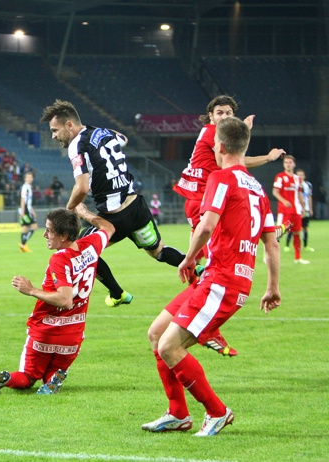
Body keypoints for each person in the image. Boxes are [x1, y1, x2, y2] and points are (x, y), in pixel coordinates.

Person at [142, 117, 280, 436]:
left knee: (169, 347)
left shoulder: (220, 178)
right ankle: (178, 413)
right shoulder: (258, 189)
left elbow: (206, 225)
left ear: (218, 145)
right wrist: (272, 287)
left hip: (221, 280)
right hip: (227, 279)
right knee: (156, 333)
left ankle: (217, 412)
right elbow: (271, 243)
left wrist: (188, 259)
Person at [41, 100, 184, 309]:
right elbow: (123, 139)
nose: (53, 135)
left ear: (69, 125)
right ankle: (199, 269)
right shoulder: (101, 132)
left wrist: (69, 208)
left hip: (114, 216)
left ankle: (117, 293)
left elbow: (81, 188)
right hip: (137, 207)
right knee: (159, 252)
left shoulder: (76, 146)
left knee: (81, 250)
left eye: (55, 130)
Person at [172, 95, 284, 355]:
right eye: (219, 112)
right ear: (210, 115)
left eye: (228, 113)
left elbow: (237, 155)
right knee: (213, 262)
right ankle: (210, 327)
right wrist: (265, 153)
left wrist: (246, 136)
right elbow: (237, 155)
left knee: (202, 263)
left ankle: (204, 318)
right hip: (202, 200)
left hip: (205, 199)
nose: (223, 117)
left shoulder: (218, 137)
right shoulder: (213, 133)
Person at [0, 205, 115, 395]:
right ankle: (53, 380)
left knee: (28, 376)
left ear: (63, 236)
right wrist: (84, 213)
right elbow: (109, 228)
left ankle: (7, 379)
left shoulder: (60, 259)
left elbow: (65, 300)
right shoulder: (91, 244)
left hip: (45, 329)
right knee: (51, 375)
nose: (44, 235)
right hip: (73, 333)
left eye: (49, 231)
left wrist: (31, 290)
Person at [273, 155, 308, 264]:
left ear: (294, 164)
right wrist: (284, 201)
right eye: (286, 162)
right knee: (278, 235)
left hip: (296, 210)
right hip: (284, 211)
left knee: (297, 233)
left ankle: (298, 258)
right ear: (284, 164)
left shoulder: (298, 179)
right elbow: (275, 192)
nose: (288, 164)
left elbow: (299, 194)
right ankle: (270, 256)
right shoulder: (280, 177)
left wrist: (303, 207)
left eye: (290, 162)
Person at [285, 168, 313, 252]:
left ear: (304, 176)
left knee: (305, 227)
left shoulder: (308, 185)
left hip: (305, 209)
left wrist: (310, 209)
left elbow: (309, 197)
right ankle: (287, 246)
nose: (300, 176)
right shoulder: (292, 184)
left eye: (302, 175)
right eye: (298, 175)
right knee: (290, 227)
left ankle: (306, 246)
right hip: (295, 210)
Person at [18, 172, 38, 253]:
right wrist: (23, 211)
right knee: (34, 227)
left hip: (27, 210)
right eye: (28, 177)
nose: (30, 178)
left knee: (25, 228)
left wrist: (32, 211)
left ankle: (22, 248)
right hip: (25, 211)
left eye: (31, 177)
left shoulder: (29, 187)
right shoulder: (25, 187)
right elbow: (22, 200)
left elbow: (28, 201)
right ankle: (23, 244)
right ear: (25, 179)